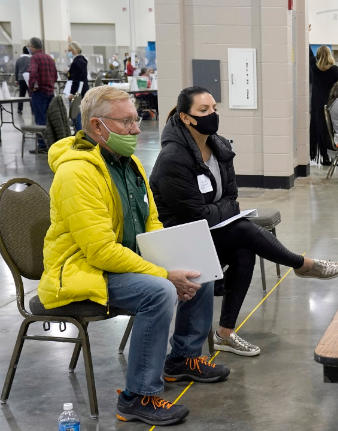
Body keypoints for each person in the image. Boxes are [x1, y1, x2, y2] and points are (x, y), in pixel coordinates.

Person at [40, 86, 228, 425]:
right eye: (127, 122)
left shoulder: (129, 163)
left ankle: (183, 358)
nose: (137, 129)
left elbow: (151, 220)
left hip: (121, 260)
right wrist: (163, 273)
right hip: (84, 269)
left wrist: (172, 259)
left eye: (136, 119)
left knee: (197, 267)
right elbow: (100, 252)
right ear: (98, 126)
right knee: (159, 292)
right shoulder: (77, 173)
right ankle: (138, 396)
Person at [150, 86, 338, 356]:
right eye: (204, 110)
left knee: (243, 251)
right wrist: (224, 209)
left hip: (210, 231)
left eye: (214, 109)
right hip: (182, 238)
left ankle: (225, 334)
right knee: (242, 229)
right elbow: (195, 215)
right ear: (186, 118)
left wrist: (222, 209)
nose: (212, 114)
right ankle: (301, 264)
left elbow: (232, 197)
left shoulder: (219, 146)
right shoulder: (173, 158)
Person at [309, 45, 338, 165]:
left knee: (320, 129)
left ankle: (325, 156)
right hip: (332, 103)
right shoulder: (334, 70)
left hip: (317, 103)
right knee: (335, 129)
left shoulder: (313, 68)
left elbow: (309, 55)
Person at [27, 37, 57, 154]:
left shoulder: (35, 58)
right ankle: (50, 142)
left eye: (30, 47)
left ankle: (42, 145)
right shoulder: (49, 58)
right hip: (50, 92)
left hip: (39, 93)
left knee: (40, 120)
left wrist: (31, 86)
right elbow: (55, 75)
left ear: (33, 47)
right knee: (49, 118)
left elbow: (33, 72)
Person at [66, 39, 89, 132]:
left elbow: (76, 80)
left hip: (77, 91)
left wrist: (72, 93)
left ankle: (79, 133)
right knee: (80, 114)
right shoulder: (83, 60)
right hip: (83, 90)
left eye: (69, 50)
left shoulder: (76, 62)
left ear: (74, 51)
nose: (68, 53)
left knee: (76, 115)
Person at [14, 46, 30, 114]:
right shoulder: (31, 59)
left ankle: (19, 109)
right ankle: (33, 110)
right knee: (31, 94)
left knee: (21, 95)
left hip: (21, 79)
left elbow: (16, 71)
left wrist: (16, 80)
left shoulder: (18, 60)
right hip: (29, 78)